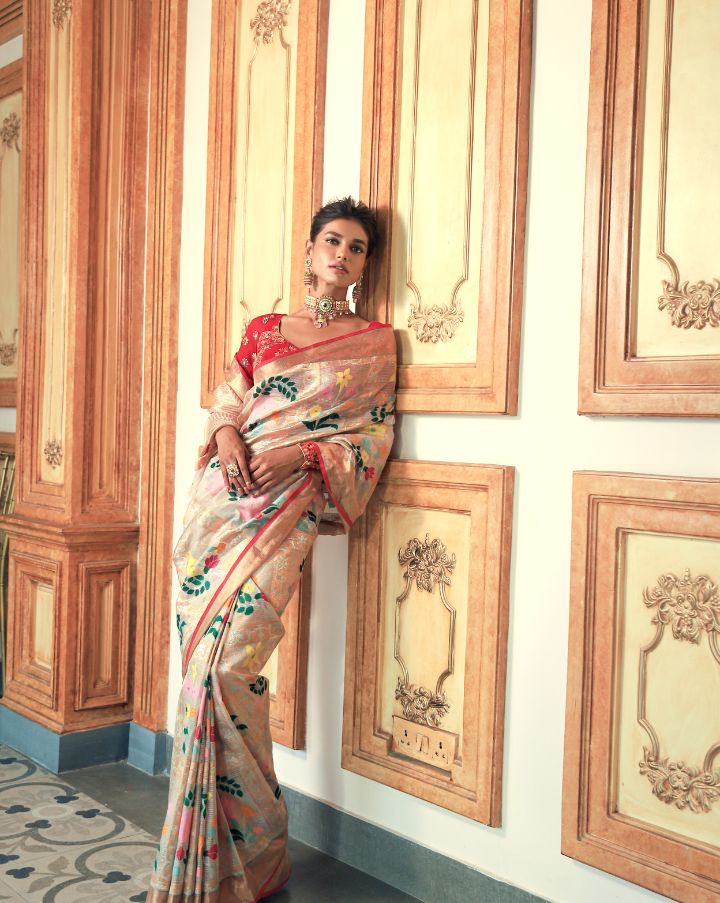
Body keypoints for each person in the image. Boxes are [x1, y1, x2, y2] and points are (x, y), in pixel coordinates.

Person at [148, 197, 397, 902]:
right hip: (216, 511)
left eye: (356, 248)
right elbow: (231, 399)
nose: (343, 256)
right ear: (310, 250)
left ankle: (252, 854)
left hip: (284, 511)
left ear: (363, 265)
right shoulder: (263, 328)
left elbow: (372, 437)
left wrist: (308, 453)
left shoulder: (373, 343)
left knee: (229, 668)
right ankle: (216, 857)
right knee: (201, 671)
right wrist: (228, 436)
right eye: (333, 242)